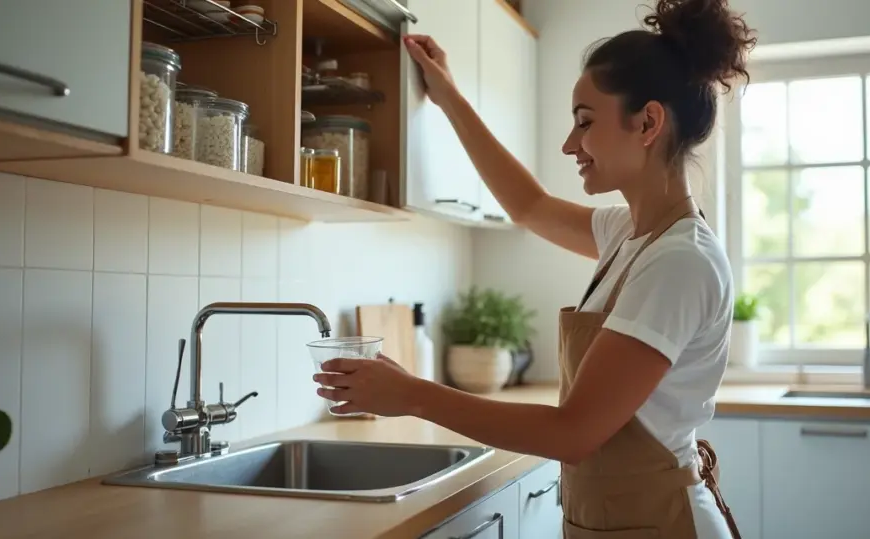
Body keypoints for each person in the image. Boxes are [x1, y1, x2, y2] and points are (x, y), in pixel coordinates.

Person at [313, 0, 756, 536]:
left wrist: (412, 394)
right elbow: (529, 206)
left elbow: (573, 432)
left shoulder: (680, 260)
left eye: (585, 123)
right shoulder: (630, 234)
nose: (571, 144)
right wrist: (449, 96)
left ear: (648, 122)